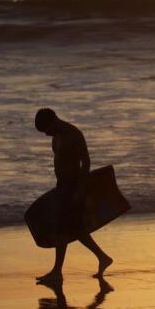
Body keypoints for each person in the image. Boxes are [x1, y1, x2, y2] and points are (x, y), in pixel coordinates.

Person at [33, 107, 113, 283]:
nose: (47, 134)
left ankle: (57, 272)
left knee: (64, 229)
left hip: (73, 187)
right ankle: (102, 258)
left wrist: (80, 190)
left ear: (53, 121)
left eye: (46, 130)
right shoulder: (57, 135)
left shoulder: (73, 135)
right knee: (73, 229)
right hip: (62, 186)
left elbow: (86, 162)